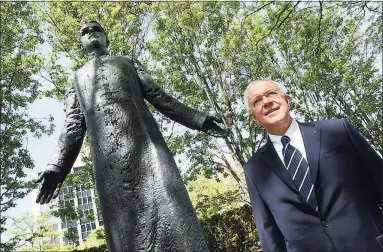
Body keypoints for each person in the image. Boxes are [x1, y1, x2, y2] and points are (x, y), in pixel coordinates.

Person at [34, 21, 227, 252]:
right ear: (81, 43)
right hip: (109, 166)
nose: (91, 33)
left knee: (173, 213)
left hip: (148, 150)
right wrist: (57, 166)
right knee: (125, 230)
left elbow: (158, 95)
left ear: (106, 38)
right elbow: (73, 125)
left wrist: (198, 119)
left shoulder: (128, 62)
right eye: (85, 32)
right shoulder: (75, 78)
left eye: (96, 29)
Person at [243, 80, 383, 252]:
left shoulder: (338, 130)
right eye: (257, 101)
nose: (266, 102)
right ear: (253, 117)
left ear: (287, 100)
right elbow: (268, 230)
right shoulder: (254, 169)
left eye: (271, 93)